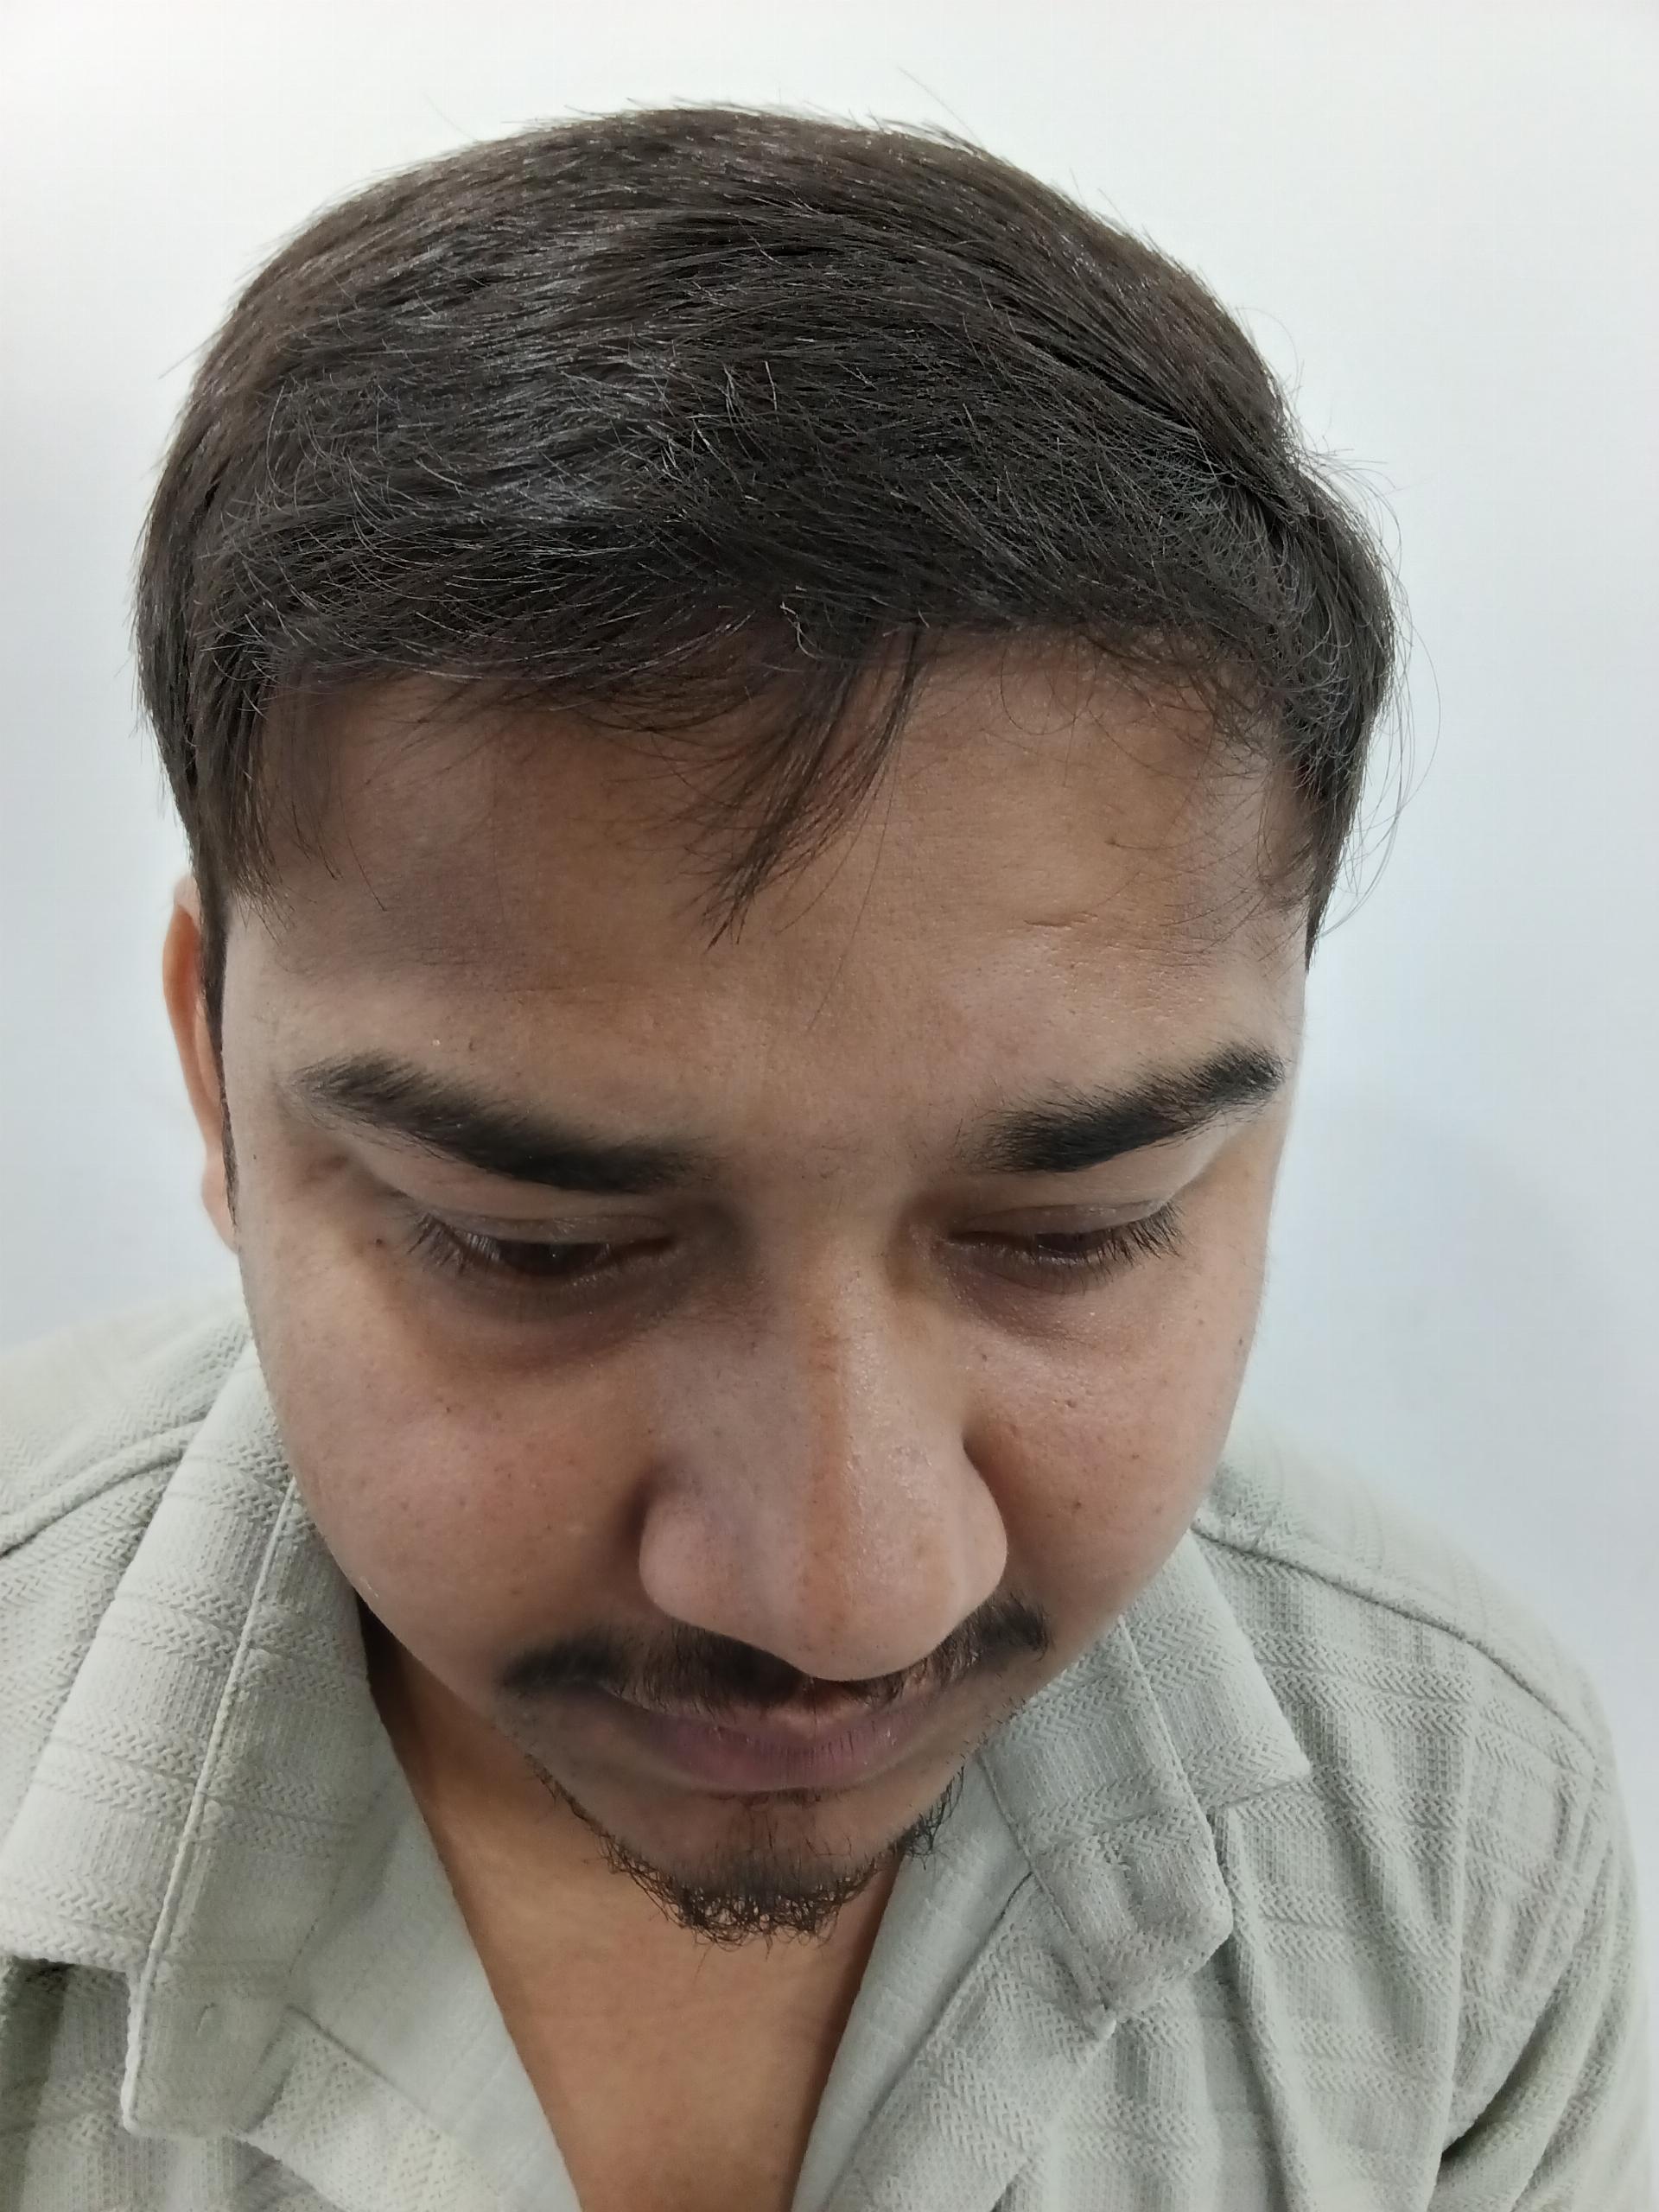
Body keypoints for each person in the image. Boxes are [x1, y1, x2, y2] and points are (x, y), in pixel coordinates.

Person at [0, 104, 1647, 2212]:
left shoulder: (1466, 1827)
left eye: (1079, 1230)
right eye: (530, 1243)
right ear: (215, 1079)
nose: (847, 1590)